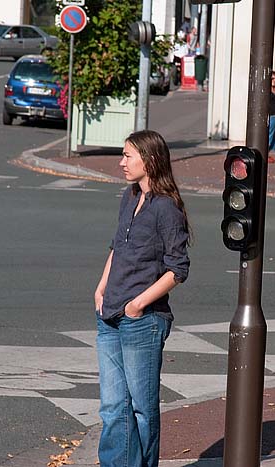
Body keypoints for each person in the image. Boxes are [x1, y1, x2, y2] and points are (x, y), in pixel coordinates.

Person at [94, 130, 191, 467]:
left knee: (141, 409)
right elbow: (117, 246)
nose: (122, 162)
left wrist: (138, 305)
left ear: (149, 161)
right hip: (109, 315)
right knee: (112, 407)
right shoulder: (129, 195)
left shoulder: (166, 208)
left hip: (143, 321)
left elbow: (178, 269)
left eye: (128, 156)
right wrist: (102, 287)